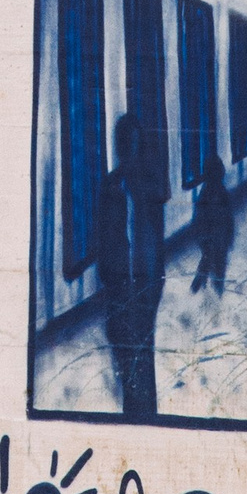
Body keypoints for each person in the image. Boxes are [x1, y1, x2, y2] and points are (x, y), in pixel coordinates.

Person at [94, 113, 165, 420]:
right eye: (125, 143)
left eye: (134, 143)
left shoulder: (150, 181)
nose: (129, 149)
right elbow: (103, 234)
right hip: (121, 279)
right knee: (125, 343)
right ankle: (133, 407)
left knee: (143, 342)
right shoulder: (111, 184)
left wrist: (157, 275)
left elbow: (156, 230)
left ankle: (146, 410)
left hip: (146, 275)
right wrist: (109, 277)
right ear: (120, 146)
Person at [191, 151, 235, 294]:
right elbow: (227, 217)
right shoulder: (213, 193)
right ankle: (202, 289)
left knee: (211, 265)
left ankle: (203, 289)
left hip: (216, 239)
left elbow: (228, 217)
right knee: (213, 266)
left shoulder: (211, 193)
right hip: (214, 239)